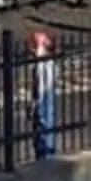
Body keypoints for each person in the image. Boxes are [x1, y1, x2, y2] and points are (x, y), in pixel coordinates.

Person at [29, 30, 61, 160]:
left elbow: (41, 86)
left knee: (43, 126)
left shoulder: (43, 64)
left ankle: (44, 156)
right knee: (47, 127)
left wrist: (35, 103)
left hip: (43, 99)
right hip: (46, 98)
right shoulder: (50, 63)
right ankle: (48, 153)